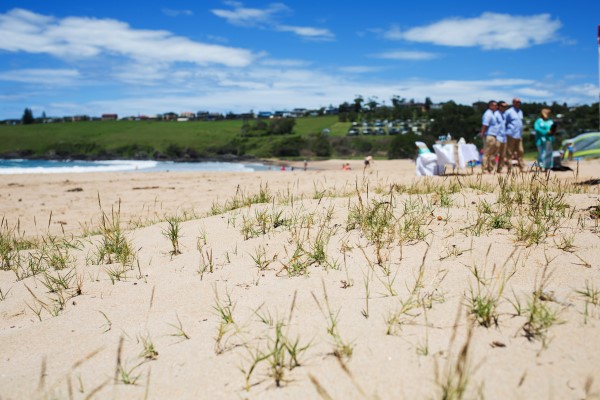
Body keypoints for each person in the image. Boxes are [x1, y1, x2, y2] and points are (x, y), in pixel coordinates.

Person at [479, 100, 500, 173]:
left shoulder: (493, 113)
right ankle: (484, 169)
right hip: (489, 135)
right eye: (494, 105)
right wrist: (482, 133)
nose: (496, 106)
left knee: (492, 153)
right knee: (487, 153)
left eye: (496, 105)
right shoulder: (488, 114)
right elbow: (485, 124)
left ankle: (490, 168)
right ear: (490, 106)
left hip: (494, 135)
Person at [504, 97, 525, 172]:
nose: (518, 103)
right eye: (516, 102)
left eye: (519, 102)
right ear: (513, 103)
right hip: (510, 134)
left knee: (520, 151)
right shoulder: (508, 112)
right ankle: (509, 168)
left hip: (519, 135)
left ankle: (522, 168)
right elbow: (504, 123)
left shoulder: (520, 111)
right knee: (510, 152)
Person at [495, 101, 509, 173]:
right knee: (494, 153)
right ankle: (490, 169)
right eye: (502, 106)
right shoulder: (496, 114)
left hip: (504, 137)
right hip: (497, 136)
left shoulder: (504, 114)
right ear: (498, 106)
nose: (504, 108)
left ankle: (499, 169)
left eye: (505, 107)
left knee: (502, 155)